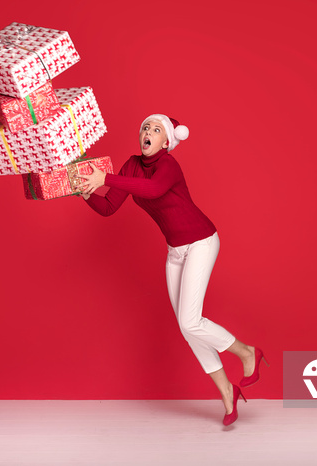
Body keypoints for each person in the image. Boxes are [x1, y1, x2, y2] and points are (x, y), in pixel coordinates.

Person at [77, 114, 268, 426]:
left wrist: (106, 178)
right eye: (144, 128)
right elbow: (109, 207)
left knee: (191, 321)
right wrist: (87, 194)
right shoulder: (131, 166)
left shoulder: (169, 166)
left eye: (156, 129)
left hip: (202, 241)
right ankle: (226, 393)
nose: (147, 133)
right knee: (186, 326)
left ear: (167, 142)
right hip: (176, 251)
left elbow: (152, 190)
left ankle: (247, 353)